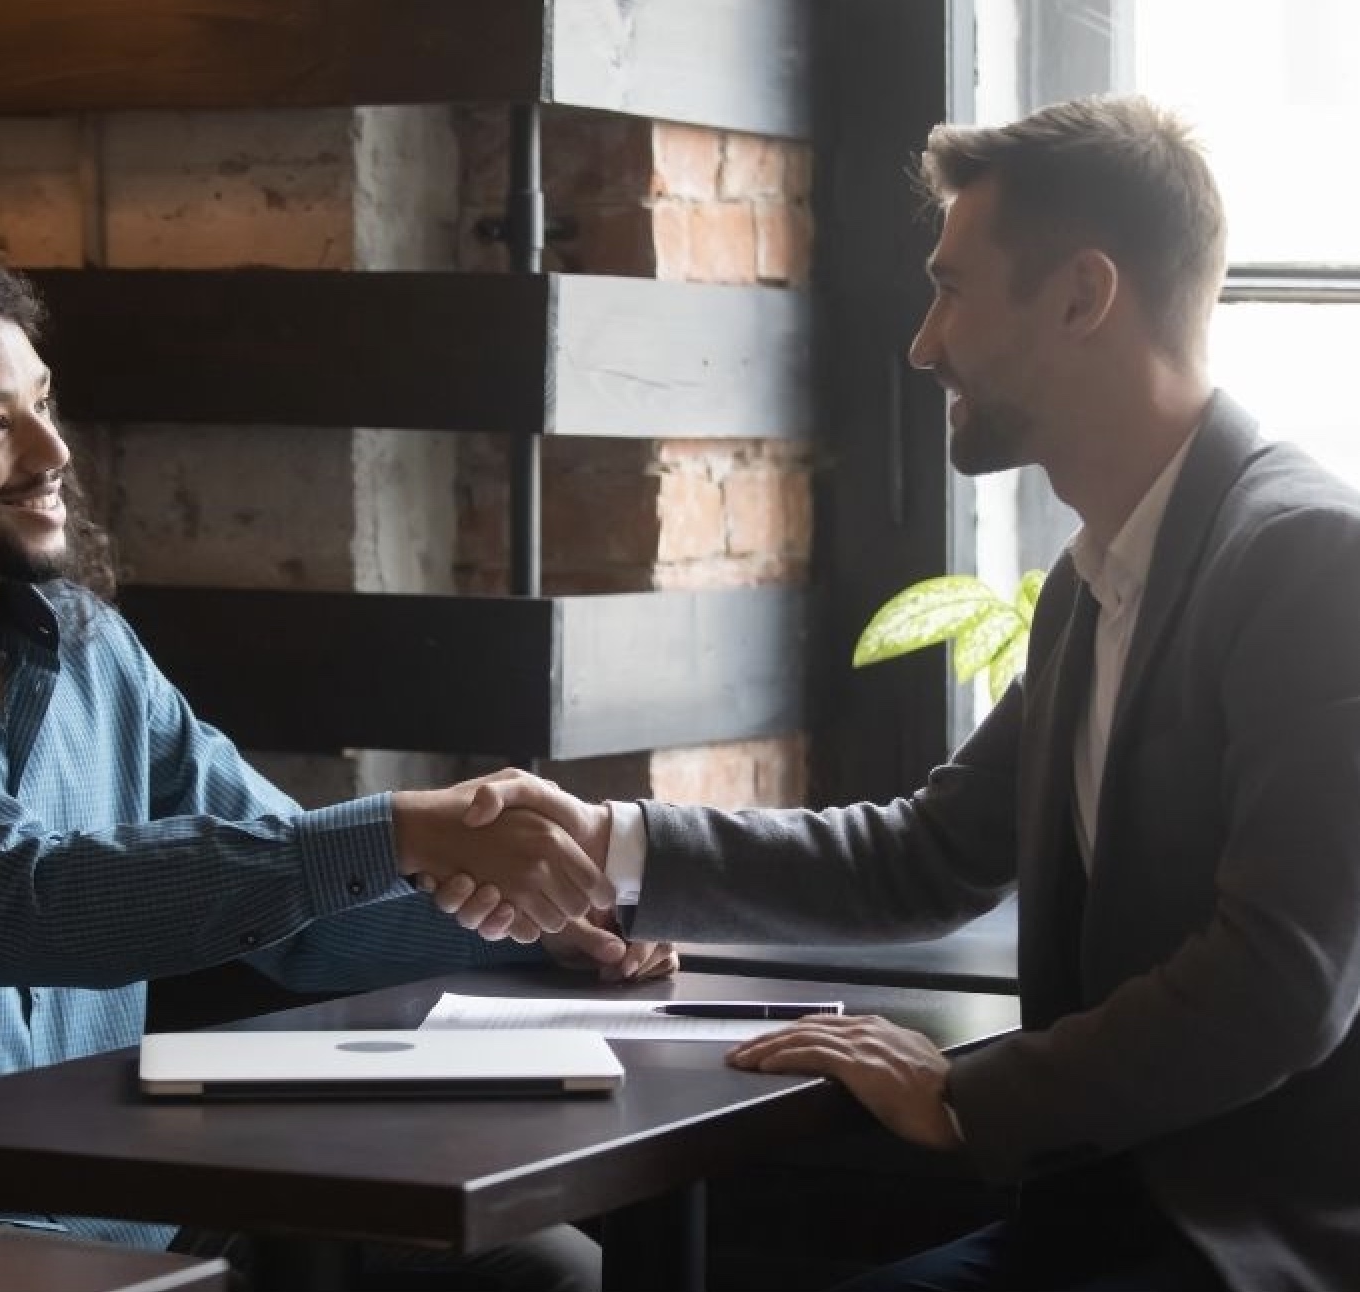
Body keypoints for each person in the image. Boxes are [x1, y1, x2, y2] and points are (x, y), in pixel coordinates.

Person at [463, 95, 1360, 1292]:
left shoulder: (1309, 558)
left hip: (1251, 1248)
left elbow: (1281, 982)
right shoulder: (1096, 581)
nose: (921, 343)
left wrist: (958, 1090)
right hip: (1087, 1223)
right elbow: (926, 855)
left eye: (951, 287)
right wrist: (609, 842)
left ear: (1080, 296)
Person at [0, 240, 673, 1291]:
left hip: (134, 1213)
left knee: (536, 1270)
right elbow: (27, 899)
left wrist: (540, 924)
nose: (52, 447)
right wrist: (403, 825)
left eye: (43, 402)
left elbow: (298, 915)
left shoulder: (93, 648)